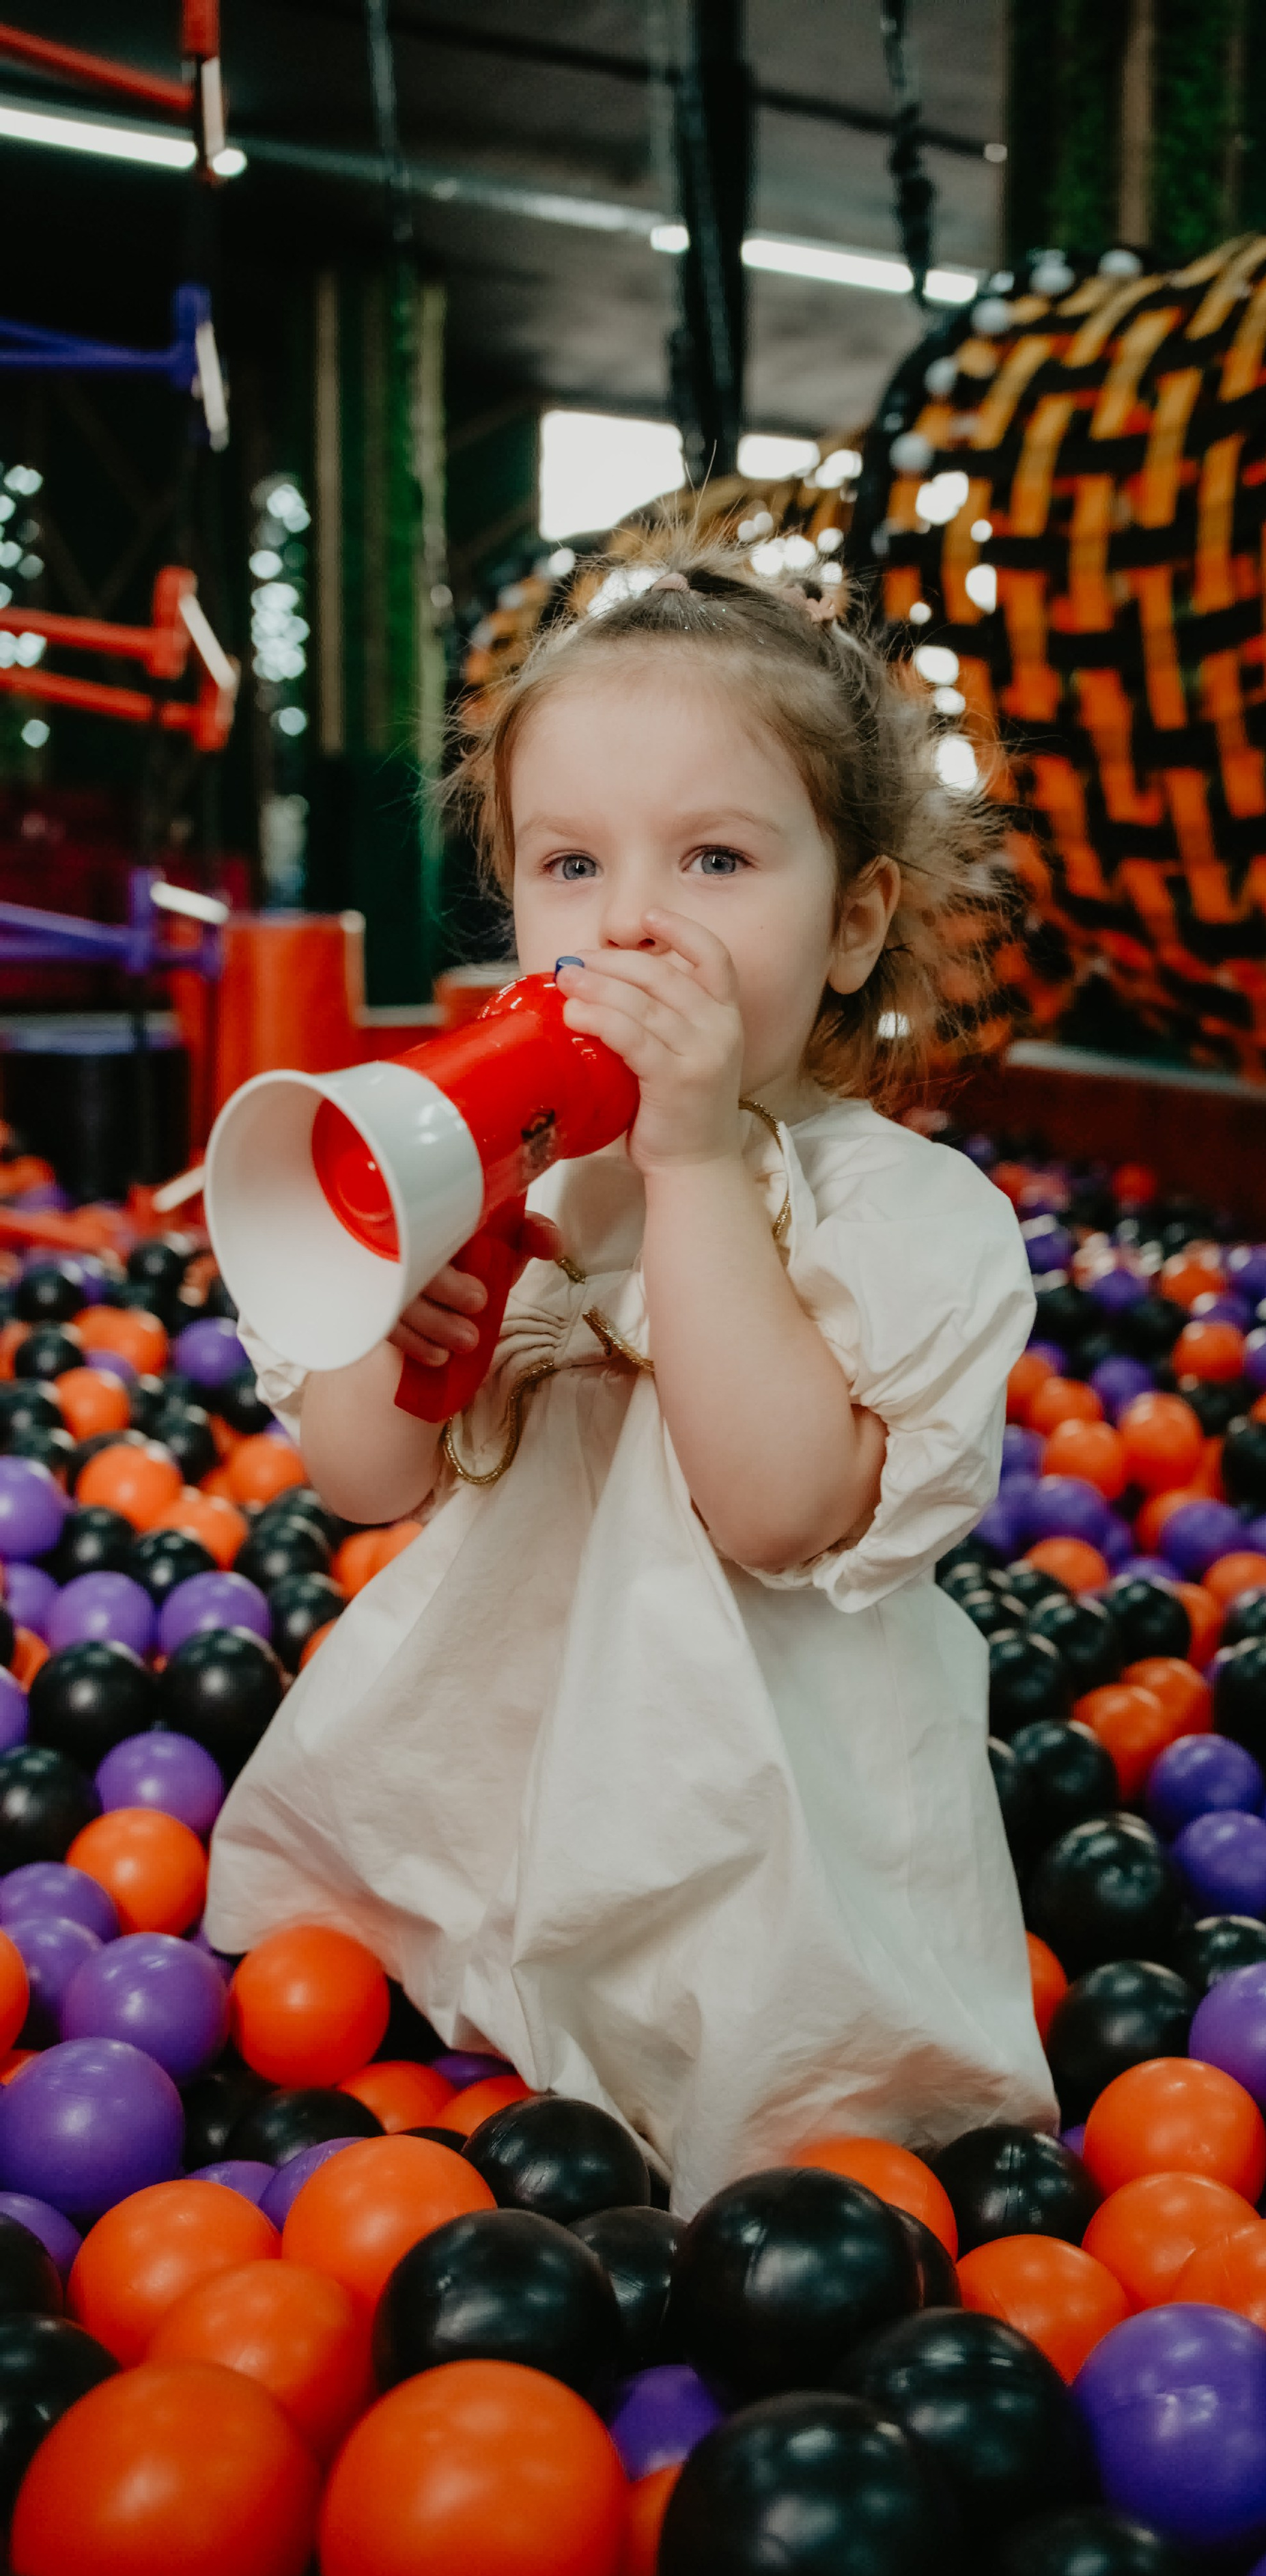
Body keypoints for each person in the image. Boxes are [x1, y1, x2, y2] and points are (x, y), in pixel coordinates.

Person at [204, 539, 1056, 2210]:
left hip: (748, 1811)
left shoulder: (898, 1217)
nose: (633, 924)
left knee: (758, 2117)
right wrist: (408, 1342)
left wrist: (685, 1167)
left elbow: (774, 1508)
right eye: (571, 863)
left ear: (850, 921)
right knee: (425, 2047)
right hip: (503, 1754)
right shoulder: (497, 1162)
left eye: (718, 858)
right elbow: (362, 1484)